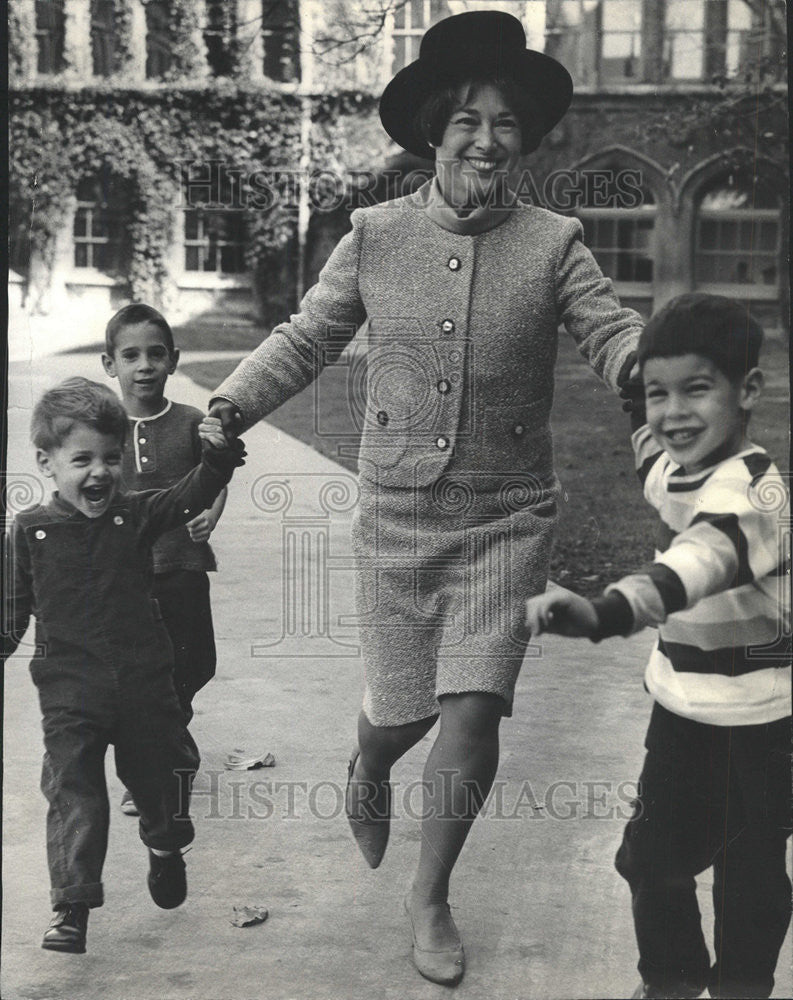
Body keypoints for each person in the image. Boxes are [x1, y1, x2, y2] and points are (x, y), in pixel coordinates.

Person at [209, 10, 642, 986]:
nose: (487, 141)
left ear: (522, 139)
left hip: (507, 513)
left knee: (473, 707)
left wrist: (648, 380)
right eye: (466, 123)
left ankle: (430, 895)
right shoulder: (372, 236)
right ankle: (369, 762)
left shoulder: (554, 241)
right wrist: (231, 403)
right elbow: (306, 338)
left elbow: (610, 332)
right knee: (402, 715)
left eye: (504, 125)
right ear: (433, 134)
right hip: (399, 514)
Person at [525, 293, 791, 1000]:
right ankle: (670, 982)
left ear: (748, 392)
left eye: (696, 390)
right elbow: (647, 445)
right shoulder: (672, 460)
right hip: (682, 710)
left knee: (749, 876)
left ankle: (741, 987)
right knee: (648, 860)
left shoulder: (754, 497)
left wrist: (606, 611)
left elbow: (696, 561)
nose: (672, 413)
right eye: (658, 394)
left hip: (764, 723)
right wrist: (628, 385)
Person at [2, 377, 244, 954]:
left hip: (143, 688)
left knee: (158, 782)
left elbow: (191, 492)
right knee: (72, 791)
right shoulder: (30, 531)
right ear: (46, 462)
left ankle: (164, 846)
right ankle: (72, 906)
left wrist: (218, 459)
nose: (101, 472)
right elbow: (10, 615)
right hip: (70, 694)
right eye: (81, 459)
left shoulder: (133, 517)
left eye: (111, 458)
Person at [102, 304, 227, 816]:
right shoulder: (100, 428)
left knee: (193, 663)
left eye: (156, 354)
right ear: (109, 364)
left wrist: (211, 514)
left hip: (183, 566)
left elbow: (217, 475)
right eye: (130, 355)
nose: (144, 365)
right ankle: (153, 769)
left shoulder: (193, 422)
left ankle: (169, 744)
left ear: (174, 360)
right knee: (138, 676)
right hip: (127, 579)